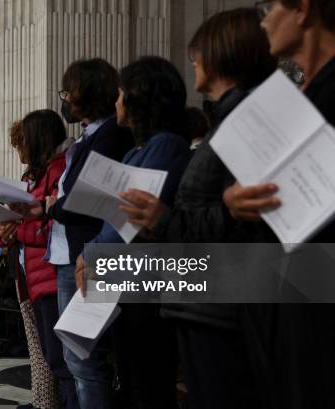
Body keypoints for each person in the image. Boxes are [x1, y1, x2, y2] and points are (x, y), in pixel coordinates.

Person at [116, 9, 277, 409]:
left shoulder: (245, 122)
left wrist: (161, 219)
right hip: (200, 299)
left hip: (218, 304)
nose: (193, 61)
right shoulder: (227, 121)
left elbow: (240, 224)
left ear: (222, 53)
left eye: (198, 52)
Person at [221, 1, 335, 408]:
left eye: (269, 7)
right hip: (279, 300)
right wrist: (234, 199)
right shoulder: (290, 95)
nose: (264, 21)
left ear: (303, 10)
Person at [12, 58, 134, 409]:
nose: (64, 99)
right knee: (77, 357)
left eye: (68, 91)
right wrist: (43, 208)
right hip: (70, 255)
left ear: (87, 93)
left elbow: (86, 200)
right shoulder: (90, 137)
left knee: (83, 360)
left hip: (88, 254)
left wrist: (51, 206)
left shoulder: (110, 134)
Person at [76, 56, 191, 408]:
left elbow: (130, 218)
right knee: (128, 378)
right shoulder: (133, 151)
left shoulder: (167, 144)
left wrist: (88, 254)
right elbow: (109, 221)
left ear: (140, 97)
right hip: (122, 280)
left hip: (148, 287)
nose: (115, 102)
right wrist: (88, 253)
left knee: (148, 386)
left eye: (121, 93)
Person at [3, 112, 77, 409]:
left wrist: (18, 228)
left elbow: (54, 225)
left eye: (23, 143)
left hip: (51, 272)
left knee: (65, 360)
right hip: (34, 276)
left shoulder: (60, 170)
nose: (20, 150)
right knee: (50, 355)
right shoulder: (39, 174)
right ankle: (47, 402)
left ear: (37, 140)